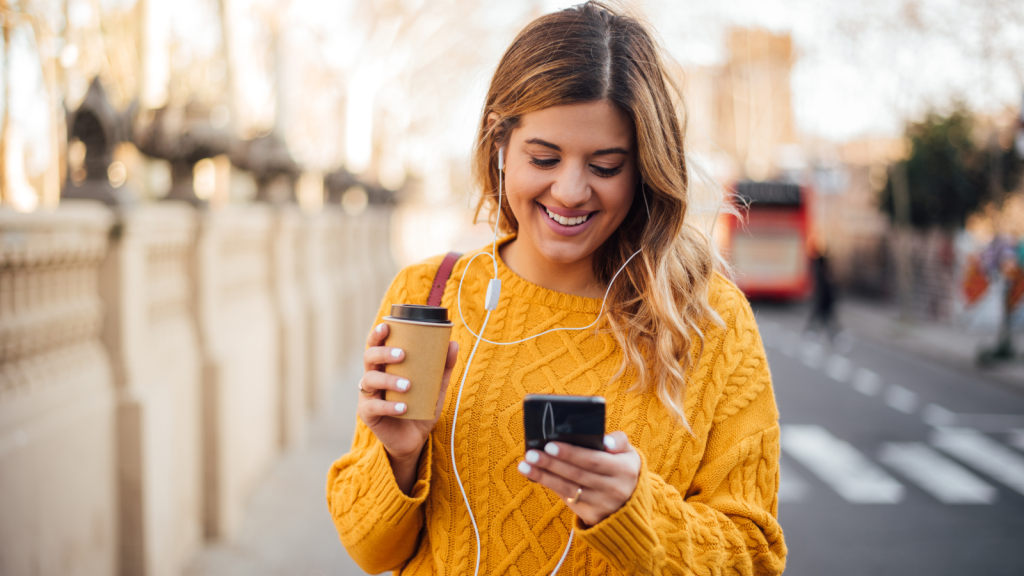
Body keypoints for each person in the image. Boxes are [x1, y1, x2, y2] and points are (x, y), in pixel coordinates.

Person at [327, 3, 786, 574]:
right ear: (500, 143)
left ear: (646, 166)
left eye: (606, 165)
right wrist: (398, 457)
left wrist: (634, 510)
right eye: (544, 157)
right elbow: (370, 549)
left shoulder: (708, 318)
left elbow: (756, 558)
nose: (570, 191)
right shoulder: (430, 293)